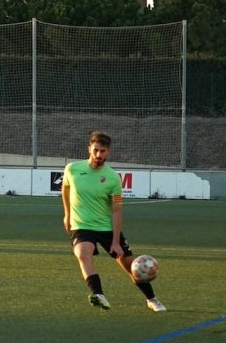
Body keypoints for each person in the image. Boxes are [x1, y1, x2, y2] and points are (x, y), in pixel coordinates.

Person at [62, 131, 166, 313]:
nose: (98, 155)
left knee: (130, 265)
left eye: (103, 151)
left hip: (106, 228)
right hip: (82, 226)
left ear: (108, 152)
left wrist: (116, 242)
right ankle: (98, 294)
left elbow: (117, 210)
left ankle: (152, 299)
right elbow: (66, 188)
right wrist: (67, 214)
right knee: (82, 254)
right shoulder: (72, 169)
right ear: (89, 148)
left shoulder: (112, 178)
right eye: (95, 150)